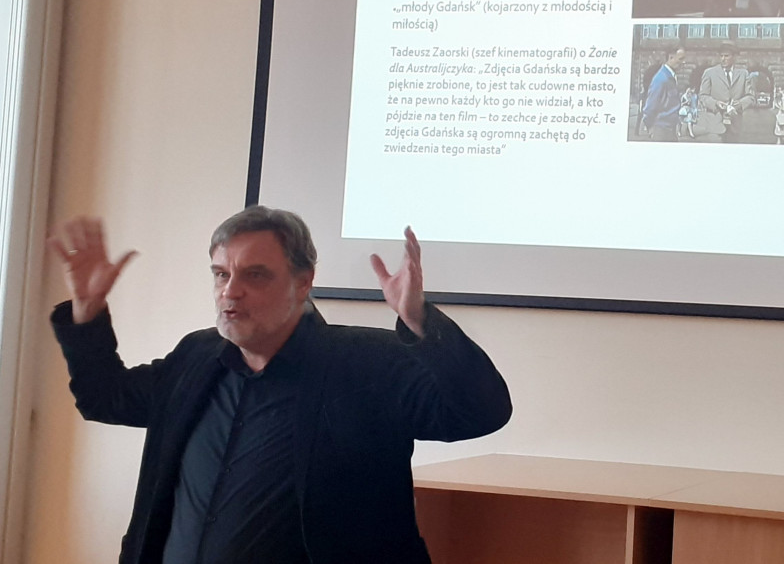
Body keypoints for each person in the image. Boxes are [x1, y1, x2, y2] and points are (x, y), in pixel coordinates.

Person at [48, 207, 512, 564]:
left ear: (303, 281)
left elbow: (480, 412)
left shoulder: (366, 365)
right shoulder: (196, 357)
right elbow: (105, 398)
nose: (230, 291)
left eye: (254, 275)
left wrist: (419, 321)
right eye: (221, 274)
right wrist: (86, 315)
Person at [698, 42, 755, 142]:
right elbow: (703, 96)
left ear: (734, 57)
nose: (723, 59)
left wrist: (740, 104)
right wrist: (715, 103)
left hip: (735, 125)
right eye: (721, 56)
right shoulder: (709, 73)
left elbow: (751, 96)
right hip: (715, 125)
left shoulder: (743, 74)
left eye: (726, 56)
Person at [641, 47, 686, 141]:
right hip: (661, 130)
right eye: (681, 59)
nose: (684, 62)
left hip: (670, 129)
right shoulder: (661, 78)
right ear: (671, 57)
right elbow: (650, 106)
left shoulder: (670, 76)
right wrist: (650, 126)